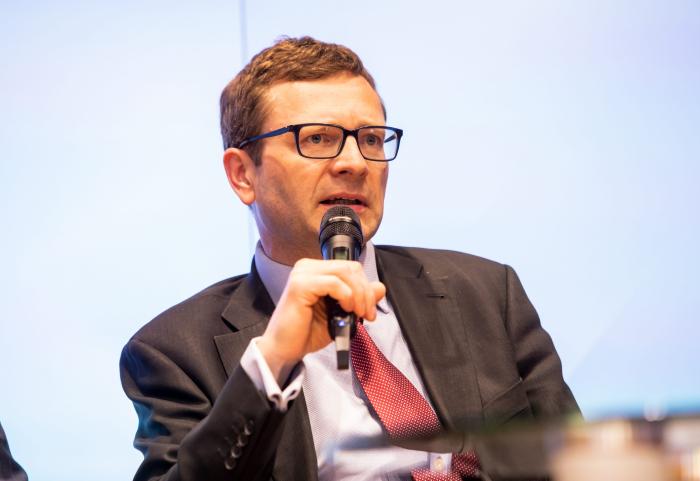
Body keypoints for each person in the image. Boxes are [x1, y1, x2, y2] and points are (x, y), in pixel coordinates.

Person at [120, 36, 578, 481]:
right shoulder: (173, 353)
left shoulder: (485, 292)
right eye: (318, 138)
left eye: (372, 139)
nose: (355, 163)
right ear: (242, 175)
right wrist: (273, 362)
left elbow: (580, 459)